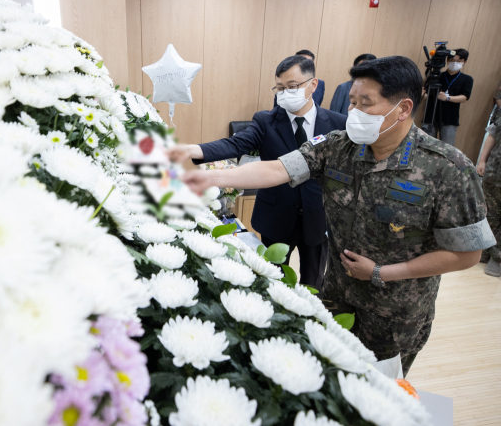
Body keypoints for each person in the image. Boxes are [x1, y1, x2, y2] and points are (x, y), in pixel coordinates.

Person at [181, 56, 495, 376]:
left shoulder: (448, 168)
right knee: (328, 378)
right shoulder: (338, 146)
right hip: (336, 299)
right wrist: (211, 178)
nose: (354, 112)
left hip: (394, 317)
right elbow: (278, 168)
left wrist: (382, 272)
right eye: (353, 102)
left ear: (402, 108)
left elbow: (467, 253)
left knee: (375, 393)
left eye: (366, 103)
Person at [168, 55, 346, 288]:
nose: (284, 93)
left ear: (313, 85)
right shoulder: (266, 121)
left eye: (292, 87)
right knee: (273, 280)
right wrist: (194, 149)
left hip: (318, 216)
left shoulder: (338, 124)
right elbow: (235, 144)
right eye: (280, 88)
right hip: (276, 215)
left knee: (314, 282)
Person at [427, 48, 473, 146]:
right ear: (447, 60)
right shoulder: (436, 76)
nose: (454, 63)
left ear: (464, 62)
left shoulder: (467, 79)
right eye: (452, 60)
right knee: (427, 147)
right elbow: (426, 94)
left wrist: (447, 98)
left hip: (450, 118)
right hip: (431, 116)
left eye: (458, 61)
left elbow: (464, 97)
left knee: (447, 150)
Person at [477, 99, 501, 276]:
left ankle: (497, 258)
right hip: (494, 173)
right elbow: (492, 134)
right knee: (488, 214)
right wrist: (483, 160)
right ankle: (483, 251)